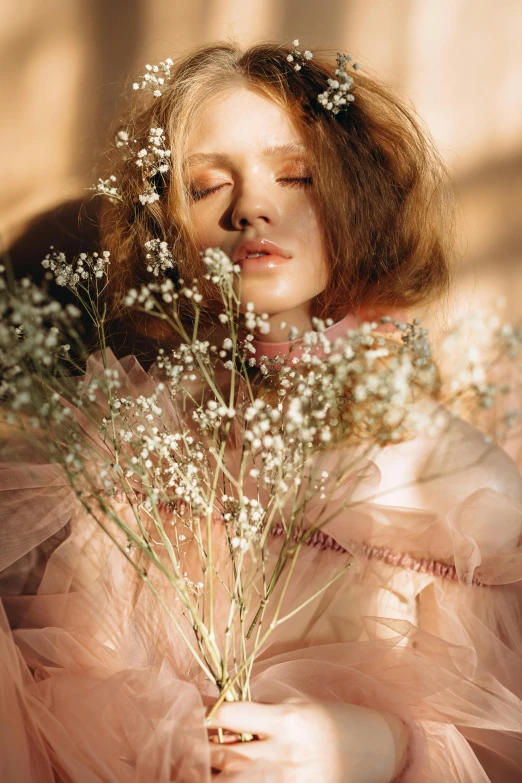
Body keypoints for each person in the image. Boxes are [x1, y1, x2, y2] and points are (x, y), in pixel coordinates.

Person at [1, 40, 521, 782]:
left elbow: (500, 731)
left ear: (357, 198)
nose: (252, 207)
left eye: (297, 175)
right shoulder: (136, 444)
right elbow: (76, 679)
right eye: (209, 186)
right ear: (171, 231)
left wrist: (384, 745)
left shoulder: (450, 480)